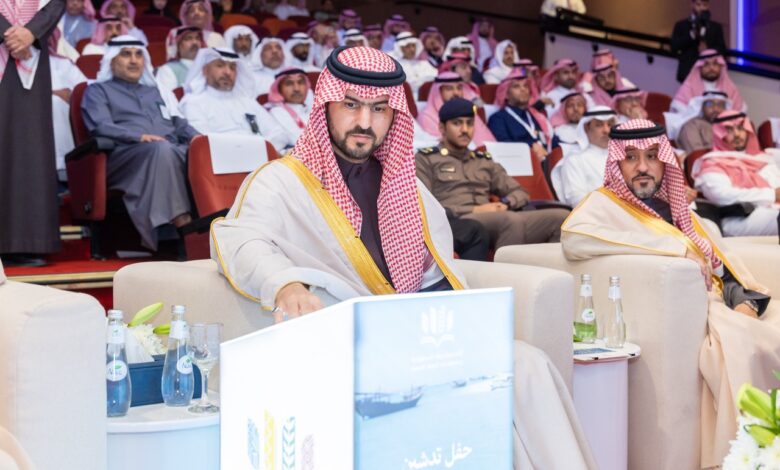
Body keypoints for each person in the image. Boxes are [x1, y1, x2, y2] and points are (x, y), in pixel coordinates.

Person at [210, 46, 596, 469]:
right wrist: (284, 284)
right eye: (351, 105)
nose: (364, 122)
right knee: (481, 385)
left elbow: (434, 274)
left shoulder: (406, 186)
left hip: (416, 338)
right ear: (325, 106)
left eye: (379, 109)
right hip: (344, 344)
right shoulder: (281, 181)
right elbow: (240, 238)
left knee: (527, 365)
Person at [561, 118, 779, 469]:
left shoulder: (677, 209)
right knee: (743, 342)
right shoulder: (604, 204)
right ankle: (747, 453)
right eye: (631, 157)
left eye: (652, 156)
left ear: (665, 161)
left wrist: (745, 300)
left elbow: (721, 262)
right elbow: (574, 238)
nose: (643, 167)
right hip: (694, 307)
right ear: (617, 162)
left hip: (723, 300)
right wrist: (673, 249)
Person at [81, 36, 200, 251]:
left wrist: (201, 140)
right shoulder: (97, 90)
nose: (134, 60)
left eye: (138, 55)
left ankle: (214, 225)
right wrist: (138, 136)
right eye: (126, 54)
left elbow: (179, 124)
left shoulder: (156, 92)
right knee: (161, 150)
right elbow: (100, 126)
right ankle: (181, 225)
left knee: (200, 154)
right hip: (125, 155)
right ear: (111, 62)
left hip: (167, 150)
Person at [417, 97, 569, 250]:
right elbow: (423, 206)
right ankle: (506, 266)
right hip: (457, 221)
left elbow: (520, 192)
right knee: (510, 220)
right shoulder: (426, 159)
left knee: (561, 218)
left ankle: (542, 266)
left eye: (470, 123)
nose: (465, 129)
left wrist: (505, 203)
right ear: (442, 128)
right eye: (457, 123)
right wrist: (474, 210)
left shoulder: (482, 160)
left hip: (495, 217)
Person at [0, 0, 66, 267]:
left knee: (28, 148)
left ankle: (24, 242)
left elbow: (55, 3)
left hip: (32, 55)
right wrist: (9, 34)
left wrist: (31, 32)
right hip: (15, 45)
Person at [692, 111, 780, 236]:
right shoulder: (712, 163)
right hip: (739, 218)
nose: (737, 134)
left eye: (740, 128)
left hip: (771, 211)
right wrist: (772, 194)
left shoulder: (765, 158)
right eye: (729, 130)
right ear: (719, 134)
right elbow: (721, 196)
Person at [180, 47, 287, 151]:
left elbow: (278, 134)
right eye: (220, 65)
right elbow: (204, 143)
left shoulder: (247, 102)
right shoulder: (193, 103)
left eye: (232, 67)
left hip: (262, 157)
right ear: (205, 70)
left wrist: (260, 150)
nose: (228, 72)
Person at [488, 70, 554, 162]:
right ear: (506, 94)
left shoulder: (536, 116)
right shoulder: (498, 118)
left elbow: (552, 139)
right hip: (519, 164)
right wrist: (530, 146)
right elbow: (503, 145)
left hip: (546, 161)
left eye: (525, 86)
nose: (523, 89)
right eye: (516, 86)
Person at [555, 107, 616, 205]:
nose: (606, 130)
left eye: (610, 125)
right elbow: (575, 198)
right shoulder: (575, 159)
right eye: (599, 125)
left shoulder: (622, 156)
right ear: (586, 128)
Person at [49, 30, 87, 181]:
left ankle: (62, 169)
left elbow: (85, 93)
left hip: (60, 116)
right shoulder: (6, 62)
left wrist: (71, 97)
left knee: (57, 104)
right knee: (53, 102)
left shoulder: (63, 64)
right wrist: (50, 94)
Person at [418, 72, 495, 147]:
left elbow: (489, 142)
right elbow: (439, 147)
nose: (456, 93)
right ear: (439, 91)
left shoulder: (467, 112)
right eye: (449, 89)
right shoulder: (427, 117)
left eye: (459, 88)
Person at [672, 49, 745, 114]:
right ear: (700, 67)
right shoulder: (688, 88)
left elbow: (738, 115)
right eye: (706, 64)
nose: (711, 68)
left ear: (720, 67)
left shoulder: (731, 89)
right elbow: (680, 114)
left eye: (715, 64)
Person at [671, 0, 726, 83]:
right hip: (687, 72)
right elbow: (674, 47)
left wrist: (708, 50)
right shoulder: (681, 25)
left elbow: (722, 49)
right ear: (692, 4)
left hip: (710, 74)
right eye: (698, 5)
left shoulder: (716, 27)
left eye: (704, 5)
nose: (701, 8)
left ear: (708, 6)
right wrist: (691, 36)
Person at [266, 67, 311, 151]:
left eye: (300, 82)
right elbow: (297, 139)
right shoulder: (277, 112)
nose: (296, 89)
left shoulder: (313, 109)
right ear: (279, 89)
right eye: (289, 83)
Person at [156, 26, 204, 93]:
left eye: (197, 38)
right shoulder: (167, 70)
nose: (195, 42)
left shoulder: (209, 67)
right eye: (188, 38)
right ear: (177, 45)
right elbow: (167, 97)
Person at [391, 31, 436, 98]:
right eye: (408, 46)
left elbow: (434, 78)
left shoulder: (424, 64)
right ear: (400, 48)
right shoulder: (394, 66)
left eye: (413, 45)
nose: (412, 49)